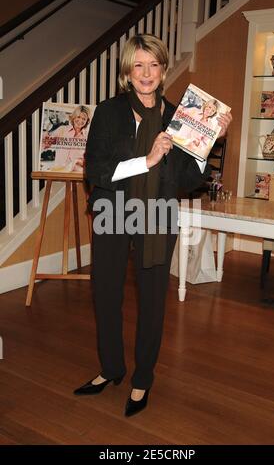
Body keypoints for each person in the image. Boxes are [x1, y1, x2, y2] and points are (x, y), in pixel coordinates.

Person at [73, 34, 232, 416]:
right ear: (127, 71)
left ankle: (143, 378)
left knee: (152, 301)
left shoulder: (181, 117)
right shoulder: (109, 112)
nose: (146, 73)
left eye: (154, 64)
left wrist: (211, 139)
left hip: (158, 213)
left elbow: (186, 179)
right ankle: (111, 369)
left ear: (162, 70)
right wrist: (147, 159)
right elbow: (95, 170)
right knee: (106, 294)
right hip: (113, 209)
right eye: (138, 65)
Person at [44, 105, 91, 172]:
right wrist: (49, 132)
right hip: (59, 173)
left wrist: (78, 161)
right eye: (78, 117)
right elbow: (45, 144)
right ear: (74, 117)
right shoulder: (62, 130)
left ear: (87, 121)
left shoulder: (88, 136)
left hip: (77, 175)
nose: (80, 120)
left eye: (84, 119)